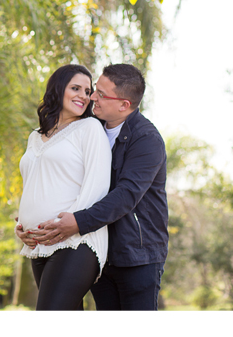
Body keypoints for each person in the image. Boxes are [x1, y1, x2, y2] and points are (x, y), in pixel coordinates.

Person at [23, 63, 168, 310]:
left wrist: (78, 222)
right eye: (94, 90)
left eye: (100, 93)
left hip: (136, 255)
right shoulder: (90, 127)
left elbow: (126, 195)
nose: (91, 97)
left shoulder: (146, 139)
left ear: (124, 105)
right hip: (103, 249)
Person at [14, 64, 112, 310]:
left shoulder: (90, 128)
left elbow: (97, 185)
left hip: (76, 241)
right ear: (58, 89)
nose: (84, 95)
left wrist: (69, 224)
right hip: (38, 243)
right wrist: (22, 223)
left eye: (87, 91)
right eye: (75, 88)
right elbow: (34, 184)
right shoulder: (35, 136)